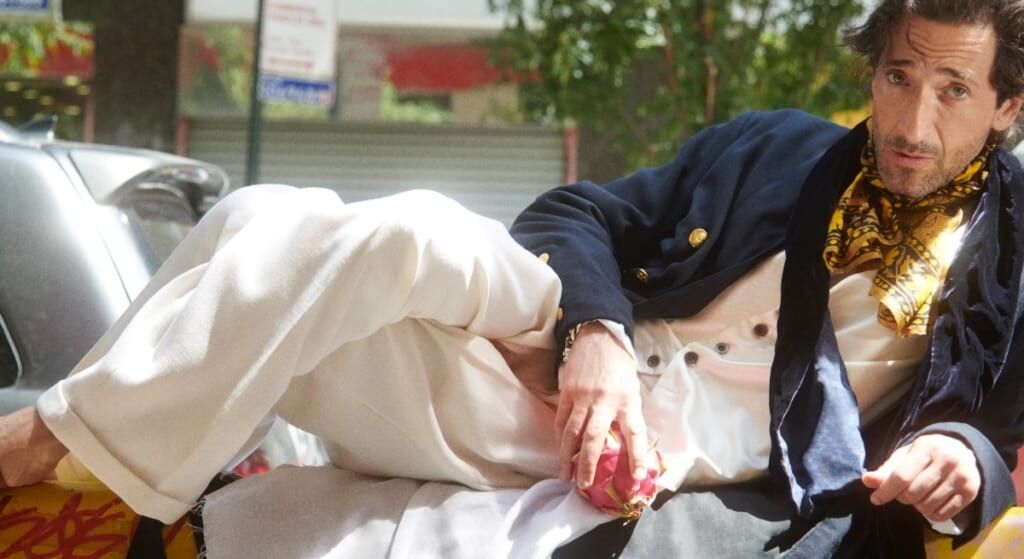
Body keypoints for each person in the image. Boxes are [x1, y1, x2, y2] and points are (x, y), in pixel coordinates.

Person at [2, 0, 1024, 556]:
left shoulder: (1017, 257)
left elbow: (993, 428)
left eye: (951, 90)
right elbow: (579, 213)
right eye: (897, 76)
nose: (911, 124)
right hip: (565, 355)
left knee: (259, 219)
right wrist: (595, 340)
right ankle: (54, 441)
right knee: (387, 229)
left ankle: (63, 444)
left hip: (602, 459)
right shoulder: (778, 146)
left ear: (1008, 108)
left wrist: (962, 456)